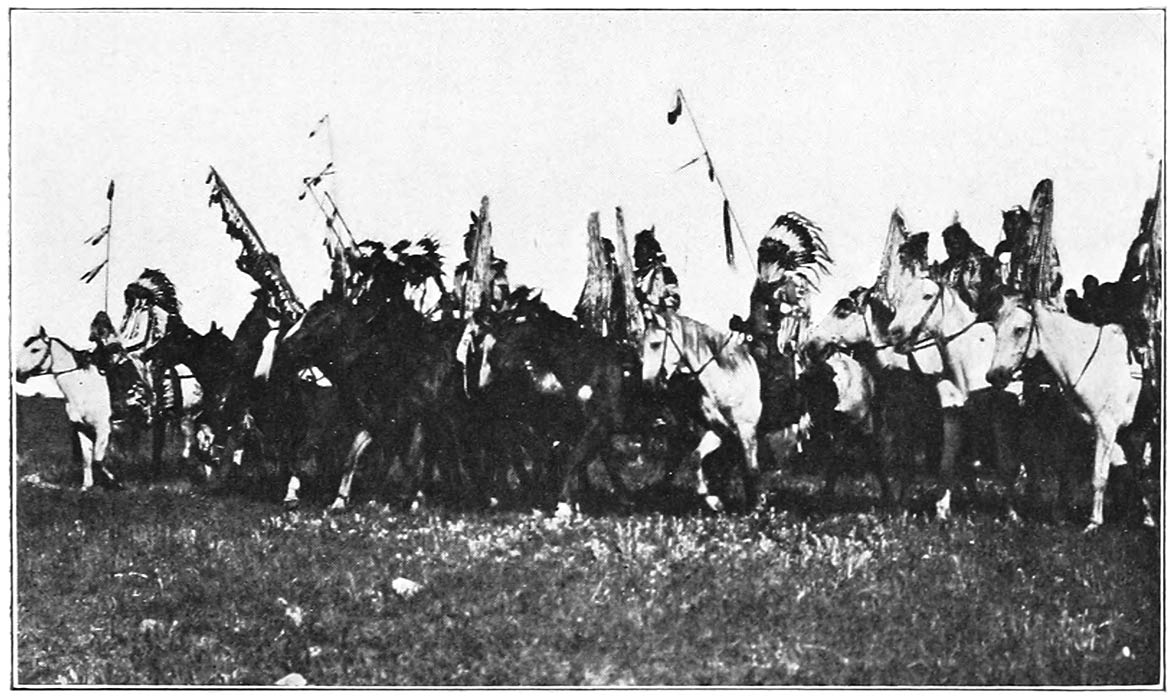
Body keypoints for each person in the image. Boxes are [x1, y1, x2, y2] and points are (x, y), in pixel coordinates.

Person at [934, 222, 996, 309]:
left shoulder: (980, 263)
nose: (950, 249)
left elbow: (978, 292)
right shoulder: (944, 267)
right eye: (947, 245)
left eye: (955, 245)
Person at [633, 228, 681, 314]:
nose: (634, 256)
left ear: (650, 253)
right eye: (635, 252)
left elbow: (674, 301)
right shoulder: (632, 276)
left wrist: (648, 299)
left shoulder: (665, 273)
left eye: (639, 252)